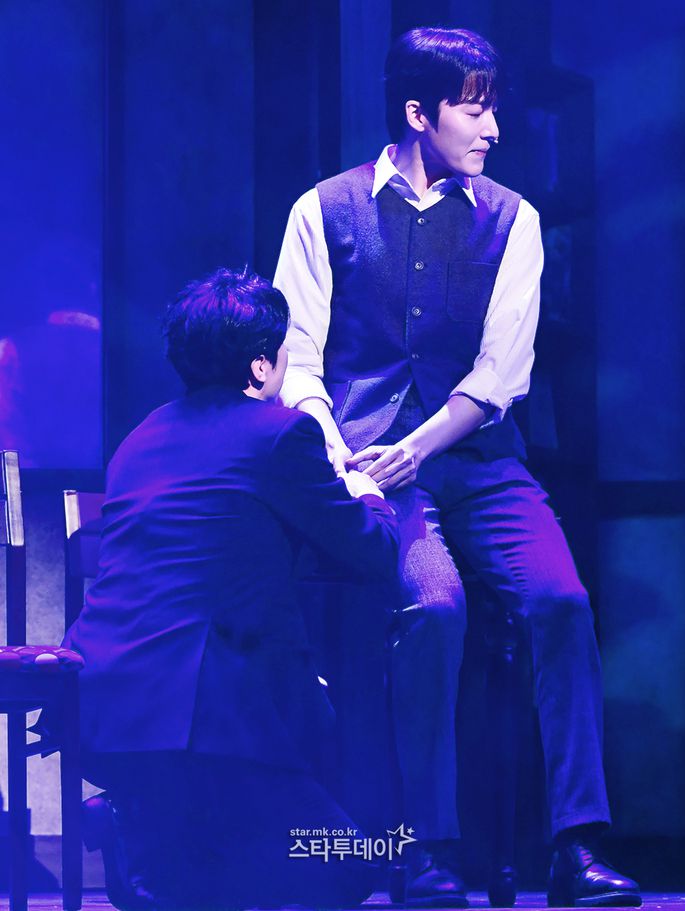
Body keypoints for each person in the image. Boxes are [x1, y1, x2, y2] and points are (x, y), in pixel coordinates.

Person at [274, 26, 642, 908]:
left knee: (561, 600)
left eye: (492, 109)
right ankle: (426, 849)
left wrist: (419, 448)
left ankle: (576, 846)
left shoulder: (515, 220)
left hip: (476, 462)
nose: (493, 129)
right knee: (434, 607)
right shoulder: (322, 210)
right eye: (473, 110)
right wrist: (343, 461)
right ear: (417, 113)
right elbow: (299, 363)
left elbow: (501, 373)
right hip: (367, 466)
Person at [63, 267, 399, 909]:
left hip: (107, 706)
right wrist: (366, 492)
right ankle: (145, 840)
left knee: (209, 867)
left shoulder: (139, 439)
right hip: (206, 720)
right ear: (260, 366)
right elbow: (372, 551)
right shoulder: (281, 434)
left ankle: (142, 830)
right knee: (354, 865)